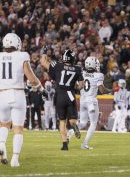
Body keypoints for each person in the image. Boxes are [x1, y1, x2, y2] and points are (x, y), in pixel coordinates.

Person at [0, 33, 43, 167]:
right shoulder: (22, 55)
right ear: (17, 43)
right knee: (18, 128)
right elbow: (30, 76)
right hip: (18, 94)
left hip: (2, 94)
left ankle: (1, 144)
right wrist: (39, 86)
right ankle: (15, 159)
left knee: (3, 124)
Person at [40, 49, 84, 151]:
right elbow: (81, 85)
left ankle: (64, 144)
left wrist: (44, 52)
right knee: (73, 120)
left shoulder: (58, 65)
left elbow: (43, 62)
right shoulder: (77, 68)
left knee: (62, 122)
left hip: (60, 95)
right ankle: (74, 126)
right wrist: (75, 86)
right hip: (70, 95)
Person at [79, 57, 112, 149]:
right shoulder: (99, 75)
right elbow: (102, 90)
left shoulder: (82, 73)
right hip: (91, 101)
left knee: (82, 123)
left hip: (82, 100)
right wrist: (111, 90)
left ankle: (69, 134)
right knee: (93, 123)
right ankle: (84, 144)